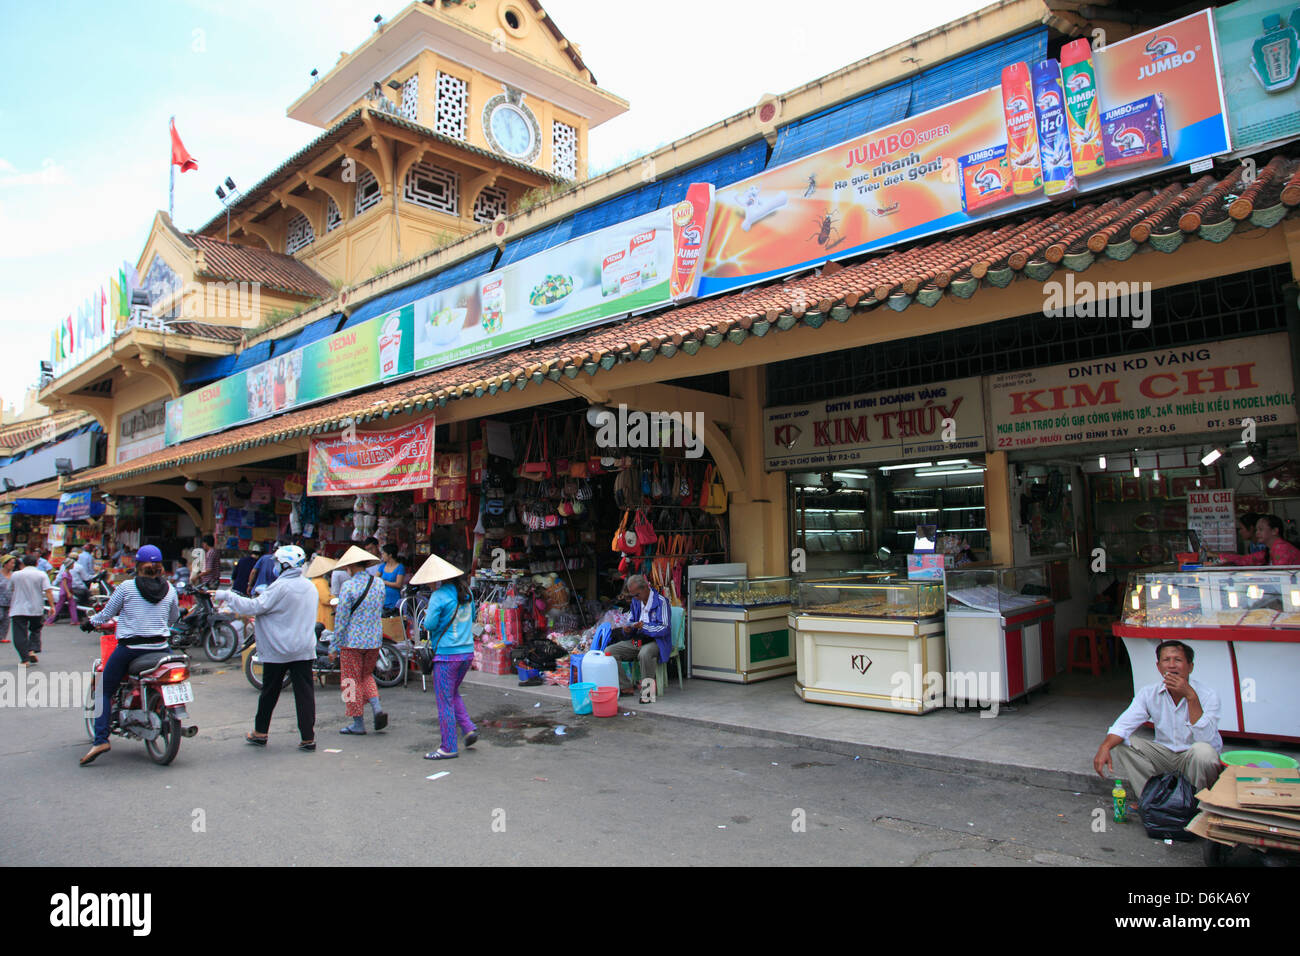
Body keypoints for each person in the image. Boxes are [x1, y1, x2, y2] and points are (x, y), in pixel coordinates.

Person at [78, 545, 182, 766]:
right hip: (162, 648)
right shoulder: (171, 589)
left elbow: (106, 614)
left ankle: (100, 740)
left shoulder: (127, 587)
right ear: (160, 566)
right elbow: (173, 618)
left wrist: (90, 622)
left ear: (137, 565)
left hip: (131, 649)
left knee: (103, 690)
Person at [215, 545, 319, 751]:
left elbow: (253, 607)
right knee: (305, 694)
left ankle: (260, 733)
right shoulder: (309, 587)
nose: (275, 567)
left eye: (278, 563)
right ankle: (308, 738)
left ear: (286, 565)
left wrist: (227, 596)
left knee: (269, 692)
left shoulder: (280, 588)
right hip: (303, 648)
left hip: (279, 650)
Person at [1093, 640, 1223, 799]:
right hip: (1165, 755)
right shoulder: (1149, 693)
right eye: (1166, 660)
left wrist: (1191, 697)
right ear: (1159, 667)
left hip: (1192, 758)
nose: (1172, 665)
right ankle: (1153, 801)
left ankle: (1198, 804)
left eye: (1178, 660)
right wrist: (1104, 747)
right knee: (1123, 743)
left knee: (1203, 752)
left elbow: (1206, 740)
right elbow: (1123, 725)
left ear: (1190, 667)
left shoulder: (1207, 695)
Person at [417, 555, 476, 760]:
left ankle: (448, 746)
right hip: (467, 652)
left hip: (446, 655)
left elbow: (430, 625)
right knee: (451, 693)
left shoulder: (439, 596)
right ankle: (468, 728)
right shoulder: (467, 593)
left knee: (444, 701)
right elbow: (473, 618)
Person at [329, 546, 387, 735]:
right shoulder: (379, 583)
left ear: (352, 566)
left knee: (350, 682)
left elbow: (342, 618)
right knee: (366, 675)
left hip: (351, 642)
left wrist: (333, 644)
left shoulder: (348, 586)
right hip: (374, 640)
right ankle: (376, 707)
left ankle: (358, 723)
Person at [604, 573, 672, 701]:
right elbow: (630, 620)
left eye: (636, 595)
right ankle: (626, 686)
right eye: (632, 595)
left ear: (645, 588)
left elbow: (664, 628)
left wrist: (644, 627)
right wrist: (627, 629)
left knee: (645, 653)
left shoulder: (661, 602)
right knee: (610, 651)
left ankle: (648, 693)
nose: (634, 598)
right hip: (639, 641)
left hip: (657, 642)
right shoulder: (636, 602)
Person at [9, 554, 55, 665]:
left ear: (23, 564)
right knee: (35, 629)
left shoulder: (15, 575)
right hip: (36, 607)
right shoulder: (41, 574)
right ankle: (31, 650)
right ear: (37, 563)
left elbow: (12, 589)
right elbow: (48, 591)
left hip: (18, 608)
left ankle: (25, 659)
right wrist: (52, 606)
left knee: (19, 633)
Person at [1215, 514, 1300, 566]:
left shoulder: (1282, 549)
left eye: (1261, 529)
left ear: (1274, 531)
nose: (1257, 533)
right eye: (1257, 530)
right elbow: (1248, 559)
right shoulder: (1269, 550)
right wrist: (1218, 556)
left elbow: (1281, 576)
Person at [305, 553, 337, 630]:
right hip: (323, 615)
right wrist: (334, 598)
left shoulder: (313, 581)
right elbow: (326, 599)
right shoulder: (321, 582)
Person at [45, 555, 80, 625]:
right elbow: (64, 584)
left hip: (67, 592)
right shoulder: (65, 574)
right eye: (72, 564)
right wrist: (68, 592)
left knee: (72, 605)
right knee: (59, 607)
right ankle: (49, 620)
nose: (73, 565)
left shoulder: (68, 573)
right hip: (65, 592)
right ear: (69, 565)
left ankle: (74, 620)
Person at [378, 544, 406, 614]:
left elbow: (398, 584)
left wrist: (384, 582)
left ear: (390, 555)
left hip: (394, 599)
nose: (382, 556)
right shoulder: (382, 566)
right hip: (382, 599)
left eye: (383, 554)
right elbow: (375, 578)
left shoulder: (400, 567)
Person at [0, 553, 15, 644]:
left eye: (14, 563)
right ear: (5, 564)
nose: (13, 565)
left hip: (9, 601)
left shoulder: (14, 575)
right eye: (11, 563)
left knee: (6, 620)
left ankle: (2, 637)